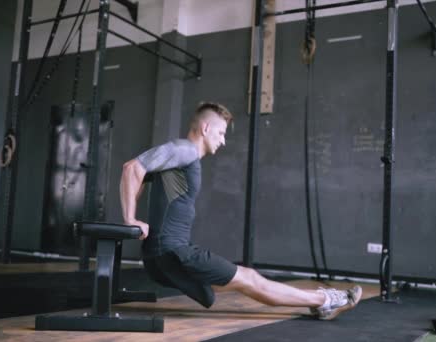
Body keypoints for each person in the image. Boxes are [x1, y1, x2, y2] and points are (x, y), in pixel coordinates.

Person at [119, 102, 362, 320]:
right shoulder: (186, 150)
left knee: (247, 282)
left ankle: (321, 300)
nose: (223, 140)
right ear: (205, 129)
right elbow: (132, 168)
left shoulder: (181, 158)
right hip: (174, 253)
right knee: (250, 279)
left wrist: (135, 219)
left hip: (162, 256)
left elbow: (140, 175)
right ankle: (325, 300)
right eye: (221, 133)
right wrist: (131, 218)